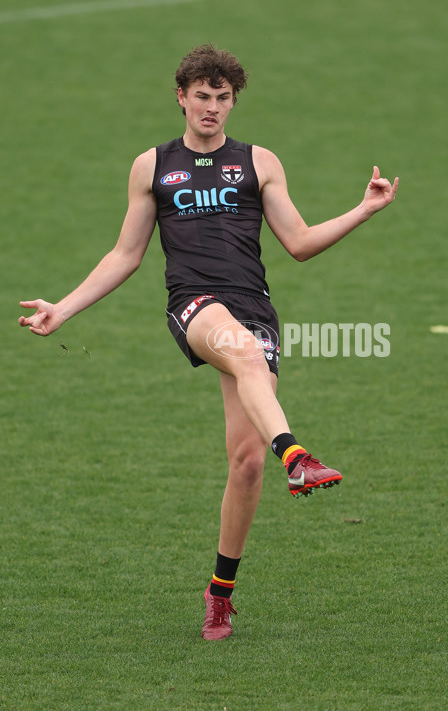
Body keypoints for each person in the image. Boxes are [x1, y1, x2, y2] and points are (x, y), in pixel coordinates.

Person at [19, 44, 399, 641]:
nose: (213, 109)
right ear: (181, 96)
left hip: (255, 307)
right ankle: (297, 458)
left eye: (223, 98)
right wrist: (62, 309)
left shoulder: (258, 163)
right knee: (245, 357)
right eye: (203, 96)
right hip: (192, 304)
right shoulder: (152, 166)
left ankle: (220, 593)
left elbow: (298, 242)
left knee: (245, 463)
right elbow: (126, 254)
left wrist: (364, 210)